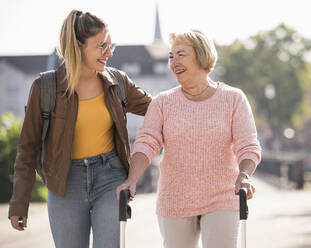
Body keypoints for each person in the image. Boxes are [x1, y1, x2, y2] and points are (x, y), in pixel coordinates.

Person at [9, 10, 152, 248]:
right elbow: (28, 148)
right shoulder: (45, 87)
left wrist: (200, 91)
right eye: (101, 46)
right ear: (78, 46)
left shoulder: (117, 81)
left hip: (111, 177)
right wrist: (19, 202)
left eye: (110, 45)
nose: (109, 52)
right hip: (65, 183)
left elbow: (158, 108)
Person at [116, 30, 261, 248]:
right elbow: (147, 143)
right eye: (171, 57)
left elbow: (247, 145)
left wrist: (244, 175)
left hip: (222, 196)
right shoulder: (162, 103)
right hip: (175, 200)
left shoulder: (233, 99)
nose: (173, 62)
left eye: (181, 54)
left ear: (201, 55)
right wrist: (132, 179)